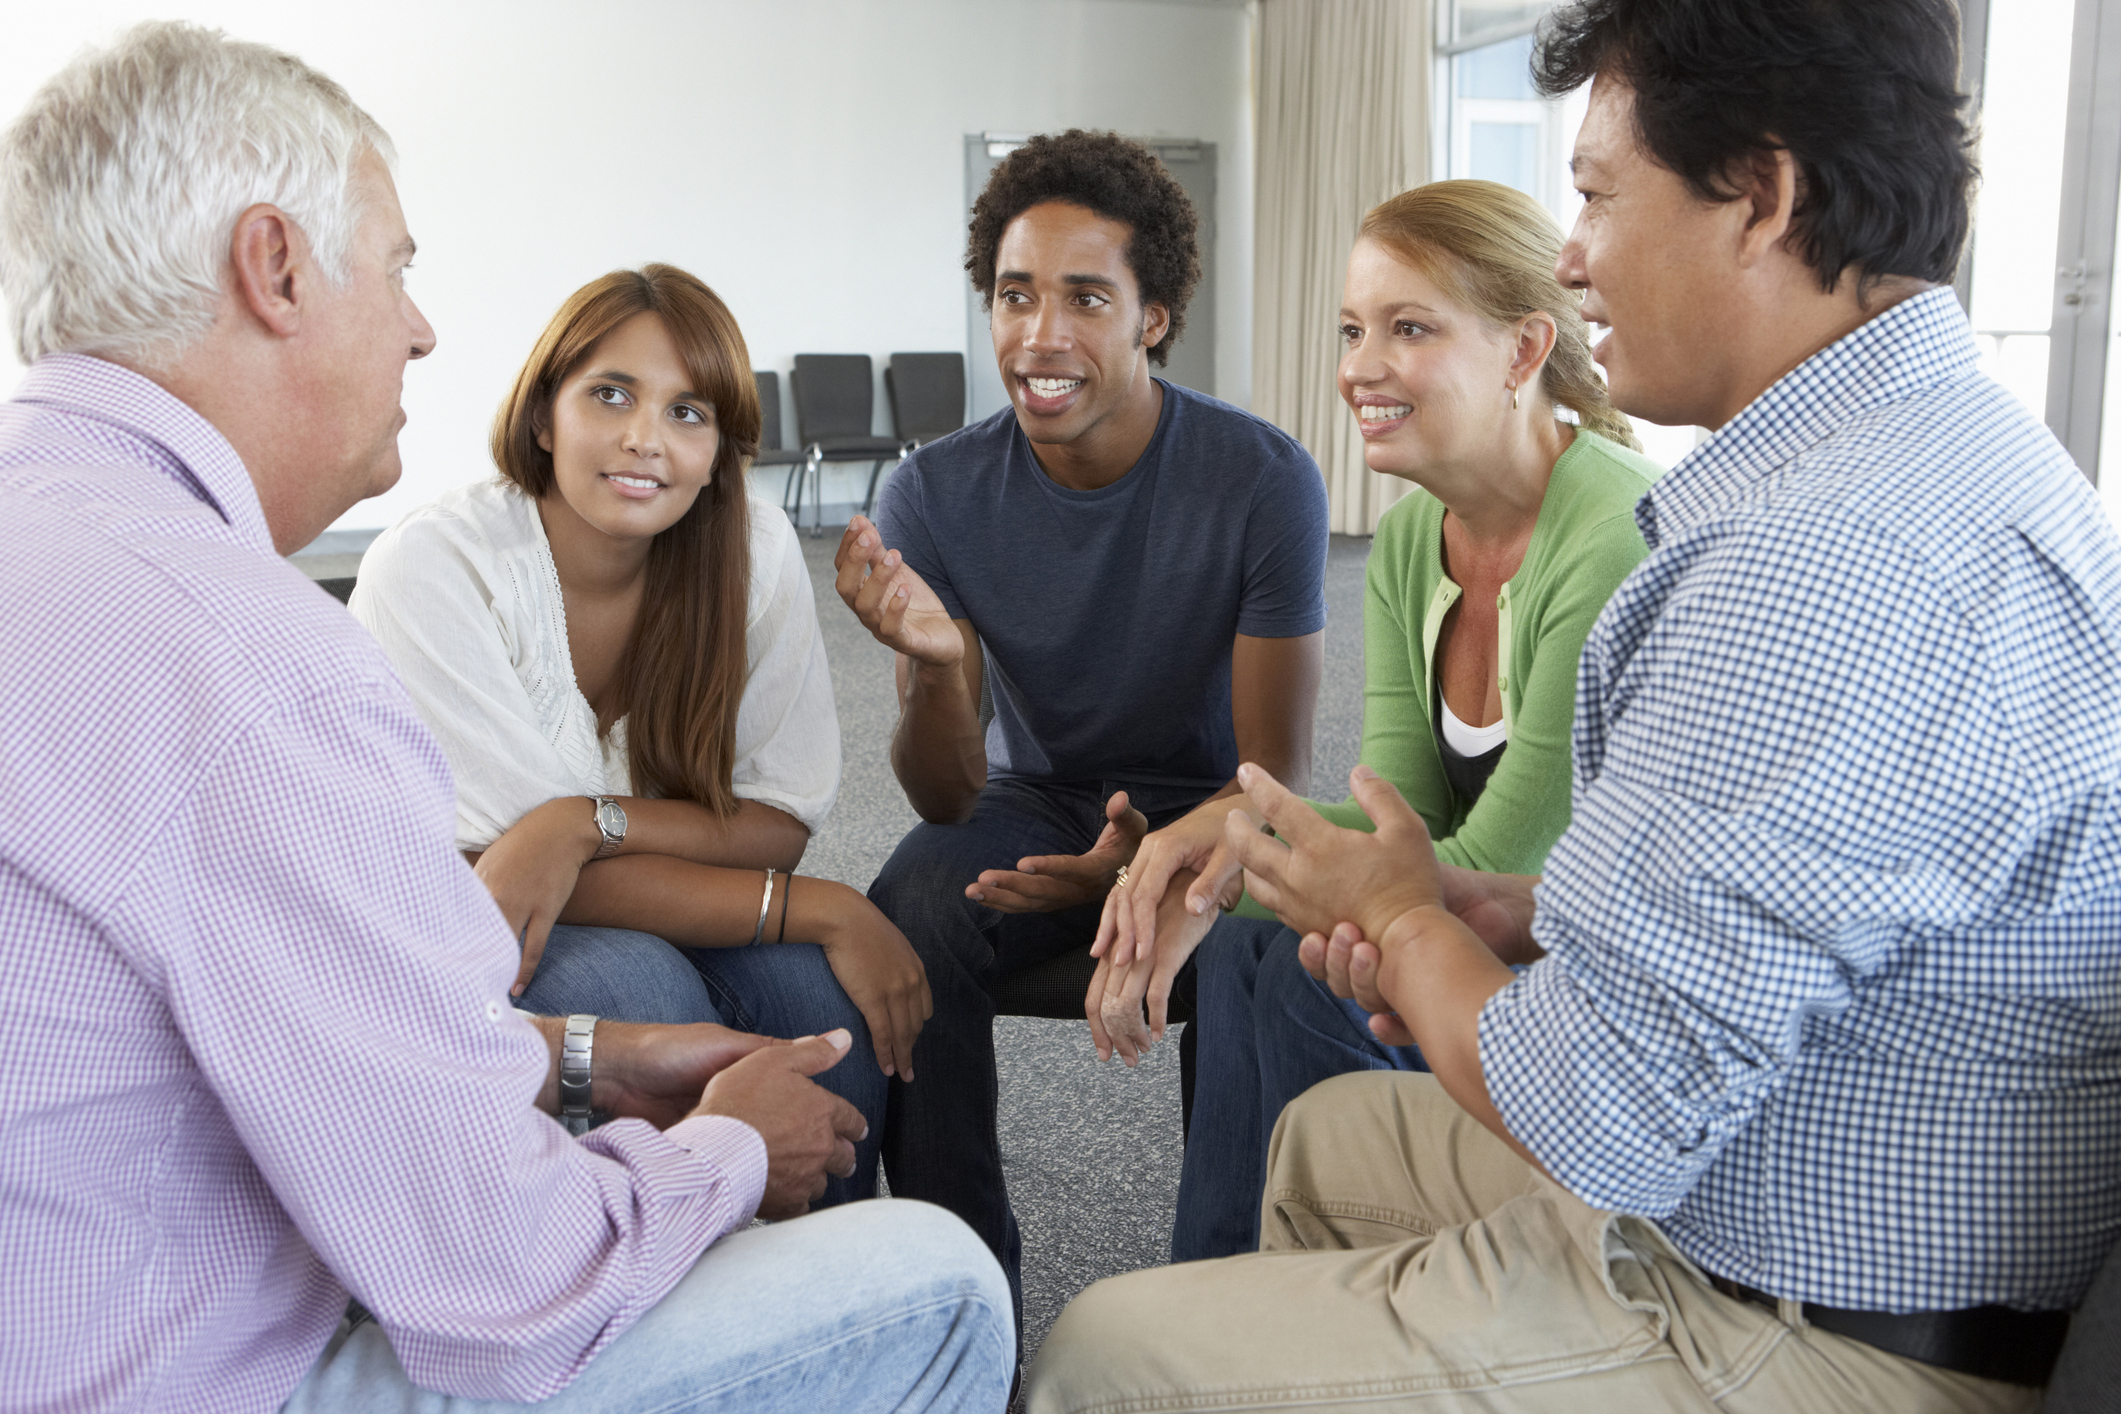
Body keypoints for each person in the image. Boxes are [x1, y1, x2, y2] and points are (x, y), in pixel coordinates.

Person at [1029, 0, 2120, 1410]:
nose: (1573, 251)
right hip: (1766, 1177)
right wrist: (1504, 908)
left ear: (1761, 196)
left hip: (1806, 1316)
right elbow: (1797, 884)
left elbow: (1596, 1108)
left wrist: (1417, 921)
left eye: (1598, 193)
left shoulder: (1827, 560)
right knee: (1320, 1145)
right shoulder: (1923, 460)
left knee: (1098, 1353)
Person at [0, 22, 1009, 1413]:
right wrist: (720, 1153)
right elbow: (504, 1281)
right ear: (277, 267)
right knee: (940, 1280)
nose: (418, 324)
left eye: (690, 412)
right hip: (193, 1369)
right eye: (400, 266)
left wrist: (593, 1056)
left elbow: (297, 1025)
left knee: (742, 1001)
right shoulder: (259, 662)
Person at [1090, 179, 1660, 1262]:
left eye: (1409, 328)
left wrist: (1227, 868)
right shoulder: (1409, 544)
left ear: (1525, 349)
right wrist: (1202, 851)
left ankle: (1342, 1295)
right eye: (1353, 329)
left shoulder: (1609, 536)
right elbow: (1391, 817)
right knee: (1245, 957)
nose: (1358, 366)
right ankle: (1220, 1291)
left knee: (1313, 970)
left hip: (1572, 963)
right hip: (1464, 924)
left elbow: (1489, 866)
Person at [833, 128, 1329, 1323]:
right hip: (1032, 801)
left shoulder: (1263, 479)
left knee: (1272, 928)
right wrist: (943, 670)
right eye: (1015, 296)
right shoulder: (933, 491)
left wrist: (1157, 861)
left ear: (1154, 317)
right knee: (908, 907)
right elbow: (947, 798)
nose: (1040, 336)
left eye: (1086, 298)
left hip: (1215, 804)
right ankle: (966, 1301)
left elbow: (1279, 778)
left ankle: (1217, 1309)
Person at [352, 265, 926, 1202]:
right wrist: (821, 906)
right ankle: (668, 1304)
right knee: (639, 992)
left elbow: (772, 817)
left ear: (718, 449)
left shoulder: (752, 547)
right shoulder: (437, 566)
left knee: (822, 1016)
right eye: (609, 394)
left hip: (650, 892)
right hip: (468, 928)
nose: (643, 440)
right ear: (544, 416)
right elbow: (507, 872)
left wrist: (579, 823)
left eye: (687, 412)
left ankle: (834, 1294)